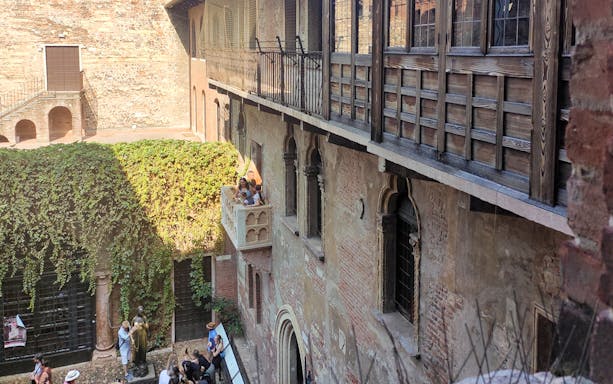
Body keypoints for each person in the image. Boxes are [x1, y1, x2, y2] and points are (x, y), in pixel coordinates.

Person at [131, 305, 149, 376]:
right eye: (140, 311)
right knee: (137, 349)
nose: (141, 313)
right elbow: (131, 328)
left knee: (143, 348)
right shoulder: (134, 319)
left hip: (143, 336)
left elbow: (147, 327)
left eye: (142, 311)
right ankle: (137, 362)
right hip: (136, 337)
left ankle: (143, 361)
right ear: (137, 311)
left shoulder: (144, 318)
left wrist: (143, 324)